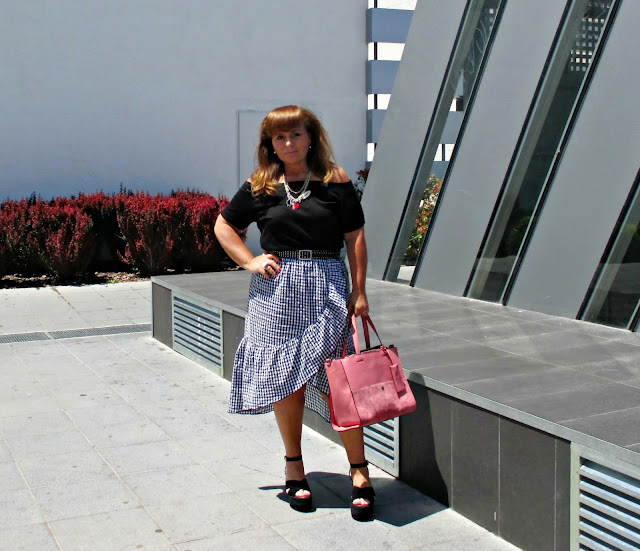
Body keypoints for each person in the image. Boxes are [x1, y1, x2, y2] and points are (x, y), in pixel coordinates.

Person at [214, 105, 374, 521]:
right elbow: (224, 226)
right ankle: (294, 468)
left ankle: (359, 470)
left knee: (340, 381)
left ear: (311, 137)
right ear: (270, 143)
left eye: (296, 134)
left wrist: (359, 290)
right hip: (276, 291)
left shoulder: (335, 180)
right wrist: (249, 260)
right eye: (280, 137)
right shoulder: (261, 184)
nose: (289, 143)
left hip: (326, 284)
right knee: (286, 381)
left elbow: (355, 237)